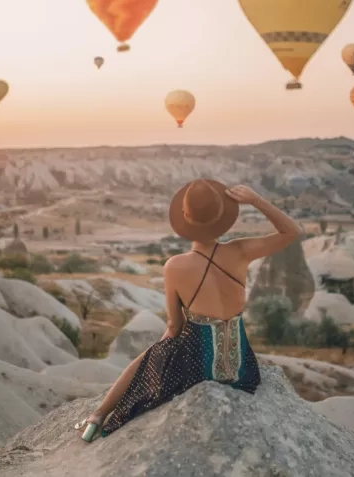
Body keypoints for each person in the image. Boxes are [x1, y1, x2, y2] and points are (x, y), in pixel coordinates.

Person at [75, 179, 303, 442]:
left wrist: (156, 358)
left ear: (185, 217)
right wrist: (256, 200)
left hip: (197, 370)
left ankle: (99, 415)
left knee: (152, 355)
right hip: (243, 370)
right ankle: (99, 413)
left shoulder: (175, 266)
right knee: (158, 353)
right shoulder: (240, 250)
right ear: (221, 217)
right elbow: (292, 232)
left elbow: (174, 328)